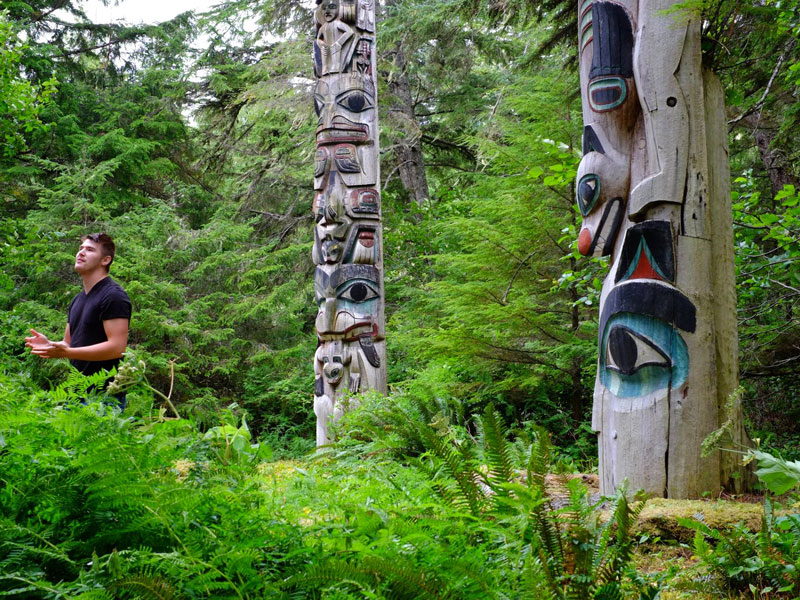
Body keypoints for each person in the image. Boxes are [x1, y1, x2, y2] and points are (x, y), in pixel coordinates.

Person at [25, 233, 132, 408]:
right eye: (81, 248)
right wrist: (51, 345)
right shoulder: (77, 299)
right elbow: (69, 344)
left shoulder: (113, 296)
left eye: (89, 250)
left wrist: (66, 353)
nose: (81, 253)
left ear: (105, 260)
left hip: (104, 398)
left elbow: (117, 348)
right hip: (76, 393)